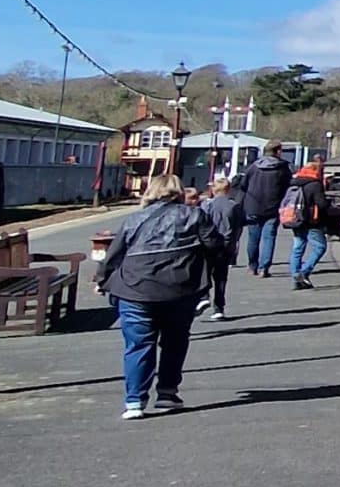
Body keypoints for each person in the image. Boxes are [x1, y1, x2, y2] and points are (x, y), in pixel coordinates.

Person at [97, 174, 226, 418]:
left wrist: (103, 281)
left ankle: (134, 401)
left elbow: (113, 255)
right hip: (179, 288)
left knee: (138, 345)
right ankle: (167, 393)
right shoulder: (195, 215)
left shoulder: (134, 219)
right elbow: (216, 246)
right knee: (175, 342)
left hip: (134, 288)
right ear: (178, 192)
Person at [239, 142, 292, 277]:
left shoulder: (254, 167)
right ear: (278, 151)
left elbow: (243, 185)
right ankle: (264, 268)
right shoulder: (283, 168)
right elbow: (288, 186)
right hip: (273, 207)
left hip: (253, 206)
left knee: (253, 238)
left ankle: (252, 266)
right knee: (269, 238)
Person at [199, 176, 243, 320]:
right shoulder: (234, 206)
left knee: (204, 273)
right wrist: (234, 244)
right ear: (228, 189)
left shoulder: (207, 205)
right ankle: (219, 308)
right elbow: (238, 228)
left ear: (213, 189)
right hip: (226, 245)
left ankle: (204, 296)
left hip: (208, 244)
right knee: (221, 278)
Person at [284, 162, 332, 289]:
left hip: (296, 219)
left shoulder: (294, 182)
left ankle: (295, 275)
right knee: (320, 247)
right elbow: (321, 204)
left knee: (298, 247)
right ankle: (304, 272)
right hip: (311, 221)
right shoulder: (315, 184)